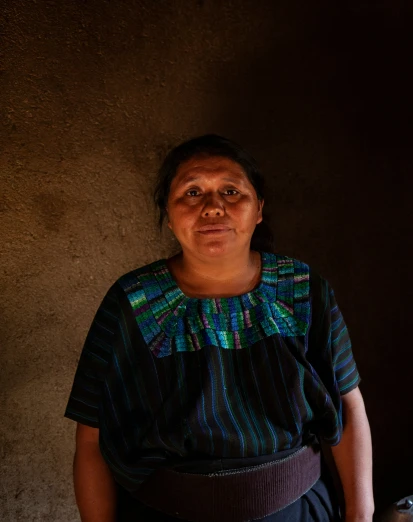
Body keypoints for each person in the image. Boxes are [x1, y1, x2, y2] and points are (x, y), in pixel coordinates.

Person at [64, 135, 373, 522]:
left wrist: (361, 514)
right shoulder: (132, 301)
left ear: (258, 208)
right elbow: (92, 437)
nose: (213, 207)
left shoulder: (302, 289)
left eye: (231, 191)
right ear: (168, 211)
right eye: (192, 192)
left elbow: (348, 402)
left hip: (296, 510)